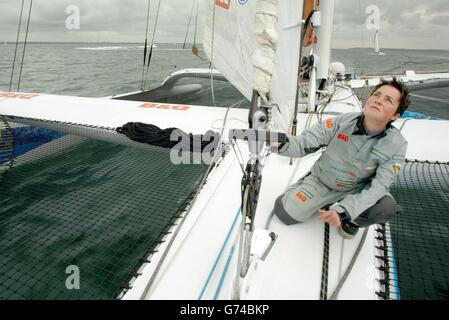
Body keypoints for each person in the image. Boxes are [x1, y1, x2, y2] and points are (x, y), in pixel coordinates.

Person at [270, 79, 410, 239]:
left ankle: (351, 222)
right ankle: (312, 197)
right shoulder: (340, 122)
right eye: (376, 95)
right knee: (284, 213)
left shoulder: (396, 144)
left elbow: (380, 186)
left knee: (386, 207)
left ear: (395, 115)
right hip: (322, 182)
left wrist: (346, 212)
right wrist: (280, 144)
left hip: (355, 188)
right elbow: (303, 144)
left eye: (388, 100)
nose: (378, 100)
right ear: (368, 100)